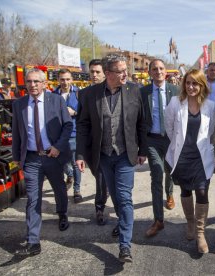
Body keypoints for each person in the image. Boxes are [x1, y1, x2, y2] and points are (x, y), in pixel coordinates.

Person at [76, 54, 147, 263]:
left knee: (124, 197)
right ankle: (123, 220)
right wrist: (80, 154)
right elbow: (83, 126)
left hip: (126, 154)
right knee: (115, 196)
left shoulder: (134, 90)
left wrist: (142, 149)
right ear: (108, 74)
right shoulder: (89, 95)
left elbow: (142, 122)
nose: (126, 74)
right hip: (104, 156)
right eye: (121, 71)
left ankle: (125, 245)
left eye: (126, 70)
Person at [12, 68, 72, 256]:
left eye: (36, 82)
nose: (32, 85)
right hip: (31, 158)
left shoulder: (56, 100)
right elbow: (16, 132)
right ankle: (33, 241)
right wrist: (16, 158)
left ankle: (62, 213)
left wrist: (58, 147)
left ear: (44, 83)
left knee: (59, 189)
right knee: (33, 199)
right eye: (29, 82)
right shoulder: (19, 104)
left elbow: (68, 125)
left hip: (53, 156)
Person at [164, 69, 215, 254]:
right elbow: (169, 128)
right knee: (185, 189)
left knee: (202, 191)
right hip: (182, 156)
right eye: (188, 83)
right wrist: (180, 145)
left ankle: (201, 233)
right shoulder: (175, 103)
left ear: (202, 85)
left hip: (200, 157)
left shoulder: (209, 105)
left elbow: (209, 132)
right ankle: (190, 224)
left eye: (195, 83)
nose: (191, 87)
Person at [141, 59, 179, 237]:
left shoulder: (176, 91)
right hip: (152, 140)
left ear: (166, 72)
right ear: (150, 72)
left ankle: (169, 194)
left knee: (169, 171)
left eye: (161, 68)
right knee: (156, 171)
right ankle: (158, 220)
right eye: (154, 69)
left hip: (171, 139)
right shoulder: (143, 92)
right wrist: (141, 149)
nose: (158, 71)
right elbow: (138, 122)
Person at [81, 58, 110, 226]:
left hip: (108, 145)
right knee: (98, 174)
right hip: (91, 145)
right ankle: (104, 192)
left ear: (104, 73)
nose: (94, 75)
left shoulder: (112, 91)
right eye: (92, 71)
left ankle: (99, 208)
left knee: (101, 176)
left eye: (98, 72)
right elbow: (82, 122)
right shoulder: (84, 94)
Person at [53, 69, 82, 203]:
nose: (65, 82)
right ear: (58, 80)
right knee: (61, 161)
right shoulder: (53, 95)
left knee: (75, 162)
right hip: (58, 134)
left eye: (67, 79)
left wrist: (75, 112)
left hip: (74, 134)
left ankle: (77, 190)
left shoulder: (78, 94)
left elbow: (85, 113)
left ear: (72, 79)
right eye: (62, 79)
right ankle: (69, 176)